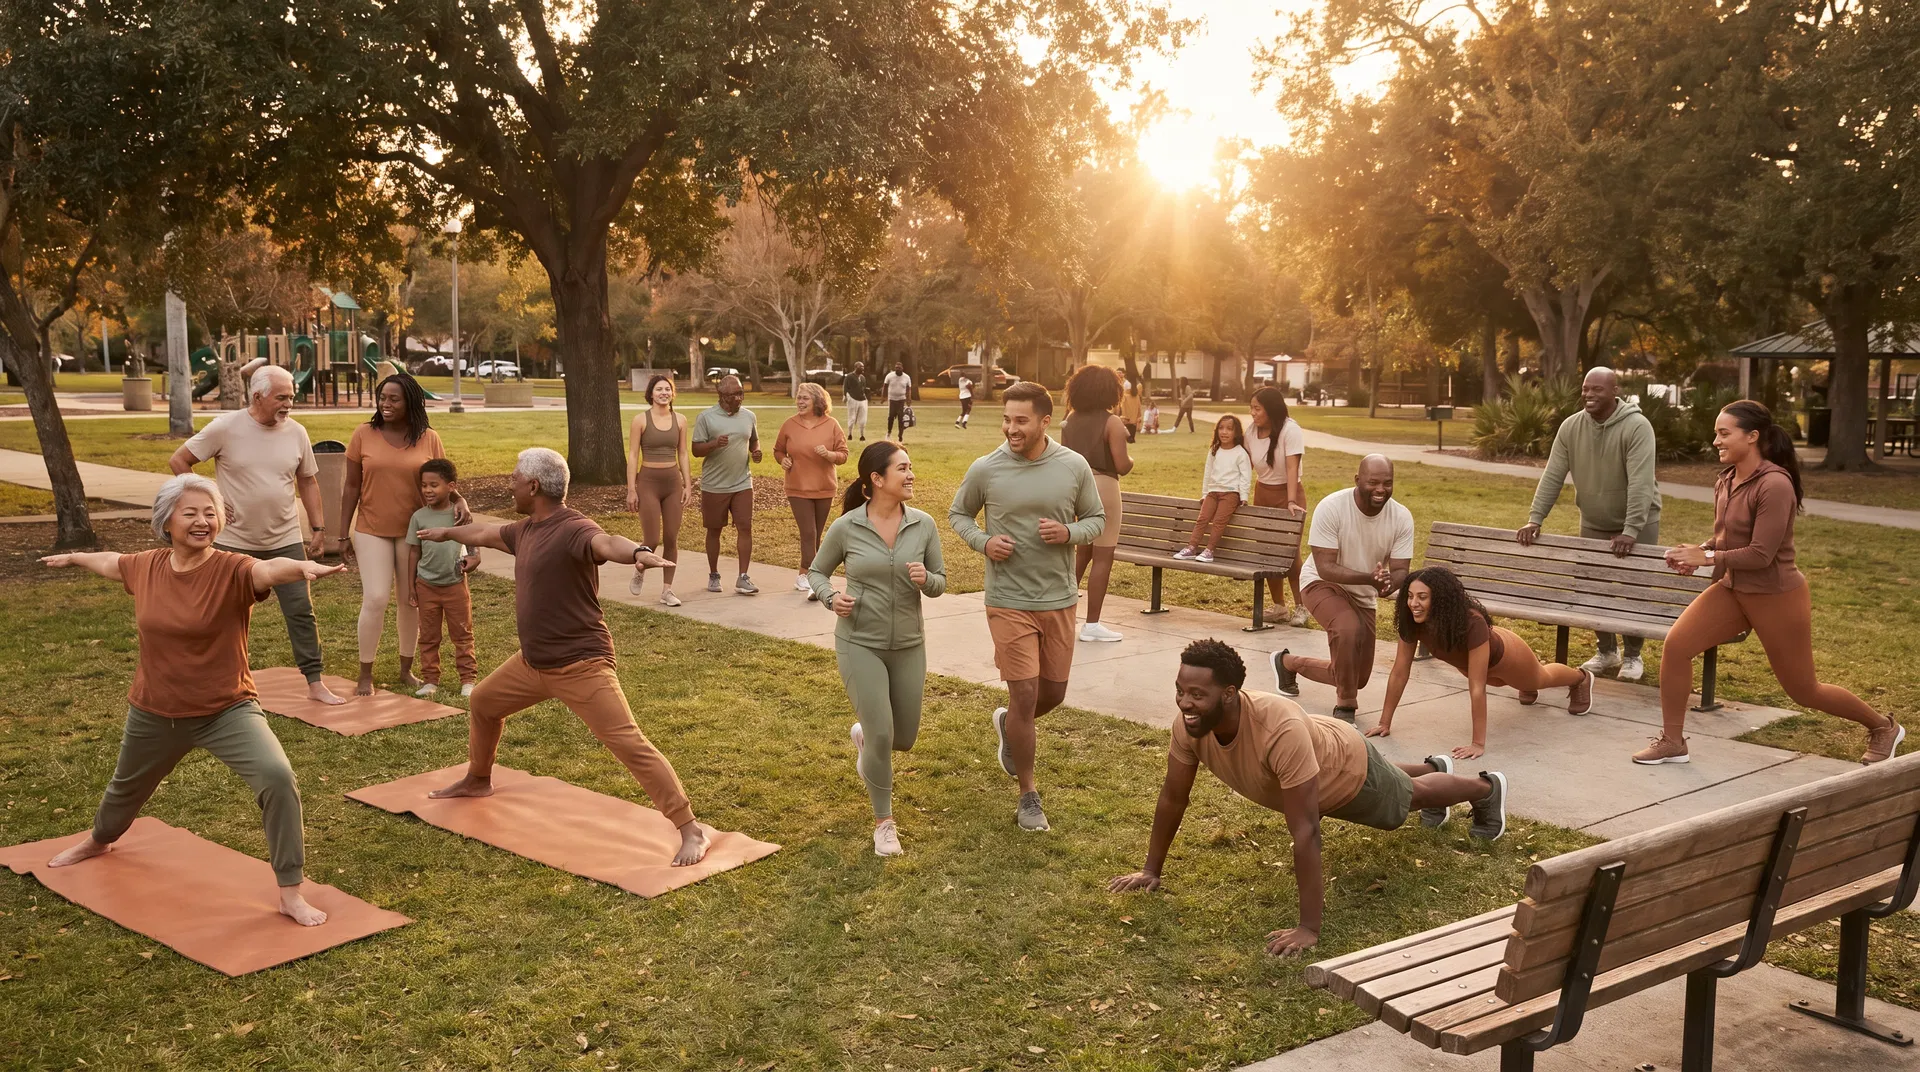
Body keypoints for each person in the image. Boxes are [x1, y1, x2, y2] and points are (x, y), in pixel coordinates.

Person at [40, 474, 347, 926]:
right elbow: (110, 562)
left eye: (210, 513)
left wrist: (298, 568)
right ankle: (99, 840)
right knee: (125, 790)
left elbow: (265, 571)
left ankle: (290, 891)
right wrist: (75, 557)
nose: (203, 521)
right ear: (167, 521)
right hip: (155, 710)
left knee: (277, 777)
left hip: (226, 710)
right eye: (191, 513)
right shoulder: (146, 566)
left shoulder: (233, 569)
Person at [1108, 640, 1508, 956]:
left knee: (1408, 800)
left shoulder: (1276, 730)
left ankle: (1486, 789)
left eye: (1197, 694)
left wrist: (1308, 928)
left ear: (1229, 693)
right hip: (1318, 745)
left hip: (1346, 770)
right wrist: (1150, 870)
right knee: (1401, 784)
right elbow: (1173, 797)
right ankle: (1432, 766)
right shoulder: (1189, 725)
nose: (1185, 703)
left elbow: (1306, 830)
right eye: (1180, 691)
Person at [416, 448, 714, 866]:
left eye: (515, 479)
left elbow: (605, 542)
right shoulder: (526, 530)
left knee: (628, 742)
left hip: (581, 665)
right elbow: (484, 533)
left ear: (533, 486)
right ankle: (478, 779)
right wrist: (447, 533)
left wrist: (639, 552)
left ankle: (690, 828)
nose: (510, 485)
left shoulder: (573, 528)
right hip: (532, 663)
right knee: (483, 702)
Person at [1638, 402, 1902, 766]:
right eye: (1716, 433)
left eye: (1724, 433)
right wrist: (1697, 551)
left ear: (1752, 436)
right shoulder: (1726, 479)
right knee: (1677, 646)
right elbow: (1726, 538)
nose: (1716, 441)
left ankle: (1883, 727)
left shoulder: (1775, 484)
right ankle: (1672, 741)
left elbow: (1761, 554)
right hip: (1733, 590)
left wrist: (1708, 558)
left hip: (1777, 596)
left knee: (1803, 690)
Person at [949, 382, 1106, 832]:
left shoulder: (1073, 466)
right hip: (1008, 599)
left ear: (1044, 421)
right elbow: (959, 514)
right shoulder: (987, 468)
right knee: (1024, 694)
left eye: (1021, 420)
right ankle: (1028, 795)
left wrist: (1069, 533)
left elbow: (1096, 519)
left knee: (1052, 695)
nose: (1011, 428)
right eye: (1006, 419)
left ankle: (1010, 726)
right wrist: (984, 542)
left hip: (1058, 597)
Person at [169, 365, 343, 706]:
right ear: (258, 396)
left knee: (300, 611)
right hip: (233, 543)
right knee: (223, 615)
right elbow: (179, 461)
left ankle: (315, 682)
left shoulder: (297, 433)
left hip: (285, 539)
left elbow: (308, 481)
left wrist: (319, 529)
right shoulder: (226, 427)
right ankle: (218, 681)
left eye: (291, 396)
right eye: (282, 397)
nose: (289, 404)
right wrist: (210, 500)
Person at [809, 442, 947, 856]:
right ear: (877, 478)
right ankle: (884, 824)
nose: (911, 474)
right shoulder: (847, 527)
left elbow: (940, 582)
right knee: (883, 732)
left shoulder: (923, 525)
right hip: (859, 643)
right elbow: (817, 571)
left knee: (902, 738)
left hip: (909, 644)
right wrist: (831, 597)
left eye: (910, 467)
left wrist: (926, 580)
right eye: (902, 468)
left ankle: (866, 742)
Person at [1517, 367, 1661, 681]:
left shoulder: (1637, 426)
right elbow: (1553, 475)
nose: (1589, 394)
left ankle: (1633, 656)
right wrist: (1535, 518)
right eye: (1585, 388)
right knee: (1593, 586)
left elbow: (1641, 483)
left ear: (1614, 391)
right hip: (1594, 521)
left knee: (1635, 589)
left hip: (1638, 524)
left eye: (1597, 389)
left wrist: (1630, 530)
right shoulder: (1571, 427)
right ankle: (1607, 651)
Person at [1368, 566, 1593, 762]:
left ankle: (1580, 678)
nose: (1413, 604)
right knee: (1503, 682)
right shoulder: (1412, 621)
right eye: (1409, 596)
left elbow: (1477, 688)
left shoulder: (1472, 622)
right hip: (1477, 663)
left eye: (1422, 597)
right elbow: (1399, 672)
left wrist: (1477, 743)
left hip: (1507, 656)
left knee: (1541, 679)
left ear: (1440, 599)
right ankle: (1524, 684)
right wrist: (1384, 722)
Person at [1271, 455, 1415, 723]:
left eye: (1387, 483)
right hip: (1321, 583)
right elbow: (1326, 567)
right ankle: (1345, 707)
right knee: (1347, 627)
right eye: (1373, 482)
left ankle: (1287, 663)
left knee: (1356, 677)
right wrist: (1370, 578)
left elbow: (1400, 571)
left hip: (1363, 593)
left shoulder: (1401, 517)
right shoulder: (1332, 507)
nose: (1380, 489)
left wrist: (1388, 584)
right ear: (1357, 480)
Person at [340, 374, 458, 696]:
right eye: (382, 398)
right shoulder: (363, 434)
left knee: (410, 601)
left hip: (414, 533)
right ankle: (366, 672)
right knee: (376, 598)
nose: (385, 404)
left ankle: (407, 670)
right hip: (371, 529)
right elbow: (351, 486)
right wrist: (342, 534)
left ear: (410, 402)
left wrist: (459, 502)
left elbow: (442, 481)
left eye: (394, 399)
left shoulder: (429, 438)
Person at [1061, 365, 1134, 643]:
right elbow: (1122, 465)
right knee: (1103, 556)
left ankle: (1060, 612)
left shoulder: (1071, 419)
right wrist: (1131, 458)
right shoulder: (1112, 422)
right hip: (1103, 486)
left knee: (1082, 552)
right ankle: (1092, 624)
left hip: (1075, 487)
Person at [406, 459, 480, 698]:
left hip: (455, 585)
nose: (427, 490)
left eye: (434, 485)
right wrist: (411, 586)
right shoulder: (418, 517)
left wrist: (475, 557)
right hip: (426, 586)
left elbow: (473, 541)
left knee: (462, 634)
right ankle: (430, 680)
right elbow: (414, 552)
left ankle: (468, 680)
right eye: (424, 485)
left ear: (451, 486)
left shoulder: (460, 514)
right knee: (428, 636)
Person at [774, 383, 850, 597]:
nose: (800, 401)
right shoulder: (789, 425)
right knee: (808, 533)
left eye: (805, 398)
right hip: (797, 487)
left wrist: (829, 454)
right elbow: (778, 450)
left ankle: (807, 574)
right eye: (799, 397)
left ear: (817, 400)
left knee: (815, 535)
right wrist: (783, 460)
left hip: (824, 488)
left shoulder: (831, 424)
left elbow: (843, 454)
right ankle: (809, 577)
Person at [692, 375, 762, 595]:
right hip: (714, 485)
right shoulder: (706, 418)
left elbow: (753, 440)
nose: (739, 398)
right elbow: (695, 450)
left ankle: (743, 577)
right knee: (714, 530)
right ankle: (714, 574)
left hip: (742, 482)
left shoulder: (749, 416)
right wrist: (714, 444)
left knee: (745, 527)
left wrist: (756, 451)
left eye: (741, 393)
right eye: (734, 395)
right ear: (721, 395)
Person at [625, 374, 691, 606]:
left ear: (672, 393)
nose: (664, 393)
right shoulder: (640, 420)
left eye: (667, 389)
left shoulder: (680, 420)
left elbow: (683, 453)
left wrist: (687, 484)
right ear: (651, 394)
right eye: (659, 389)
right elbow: (633, 455)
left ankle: (667, 590)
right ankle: (640, 568)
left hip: (672, 483)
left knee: (671, 538)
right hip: (648, 483)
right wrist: (631, 489)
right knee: (651, 539)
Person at [1247, 387, 1310, 627]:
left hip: (1288, 494)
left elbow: (1292, 468)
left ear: (1270, 409)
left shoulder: (1290, 430)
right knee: (1268, 552)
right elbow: (1245, 465)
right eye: (1251, 408)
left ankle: (1302, 607)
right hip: (1263, 493)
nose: (1253, 413)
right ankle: (1279, 607)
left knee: (1290, 554)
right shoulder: (1251, 432)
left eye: (1257, 408)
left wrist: (1291, 501)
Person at [1174, 415, 1253, 563]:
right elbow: (1208, 473)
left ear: (1236, 432)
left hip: (1230, 494)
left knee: (1218, 522)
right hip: (1212, 493)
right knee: (1202, 519)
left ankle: (1209, 550)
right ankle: (1191, 548)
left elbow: (1246, 476)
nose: (1224, 432)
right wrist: (1205, 494)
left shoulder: (1240, 453)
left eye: (1229, 429)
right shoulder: (1214, 450)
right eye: (1221, 428)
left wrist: (1244, 496)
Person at [883, 362, 914, 441]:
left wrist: (908, 399)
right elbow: (885, 386)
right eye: (896, 368)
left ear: (902, 368)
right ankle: (889, 433)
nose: (897, 369)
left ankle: (900, 436)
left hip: (901, 400)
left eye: (899, 368)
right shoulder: (890, 376)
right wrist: (884, 397)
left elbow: (908, 389)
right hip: (892, 399)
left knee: (901, 418)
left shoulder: (906, 377)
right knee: (891, 417)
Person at [843, 361, 870, 441]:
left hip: (862, 399)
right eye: (860, 367)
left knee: (863, 419)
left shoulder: (863, 378)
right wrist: (845, 396)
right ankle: (850, 434)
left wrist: (866, 395)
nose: (862, 368)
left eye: (863, 367)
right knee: (852, 417)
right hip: (853, 398)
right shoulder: (849, 376)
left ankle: (862, 435)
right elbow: (845, 387)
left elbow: (863, 388)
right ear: (855, 367)